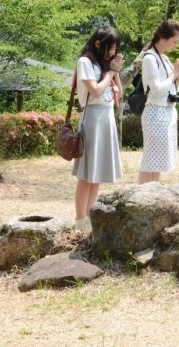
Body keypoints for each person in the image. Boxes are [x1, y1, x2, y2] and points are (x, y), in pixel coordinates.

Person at [73, 26, 125, 230]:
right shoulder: (85, 62)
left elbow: (119, 92)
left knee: (97, 175)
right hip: (93, 118)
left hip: (106, 117)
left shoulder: (104, 66)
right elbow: (94, 91)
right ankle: (80, 220)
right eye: (109, 48)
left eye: (115, 48)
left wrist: (115, 71)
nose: (112, 52)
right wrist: (110, 72)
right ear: (97, 43)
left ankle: (90, 217)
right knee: (86, 174)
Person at [138, 19, 179, 184]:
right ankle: (142, 198)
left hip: (167, 112)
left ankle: (153, 197)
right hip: (155, 112)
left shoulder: (165, 59)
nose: (176, 45)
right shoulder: (150, 58)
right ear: (163, 37)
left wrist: (177, 77)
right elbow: (157, 90)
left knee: (158, 161)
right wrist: (174, 74)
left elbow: (173, 89)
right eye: (174, 41)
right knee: (150, 160)